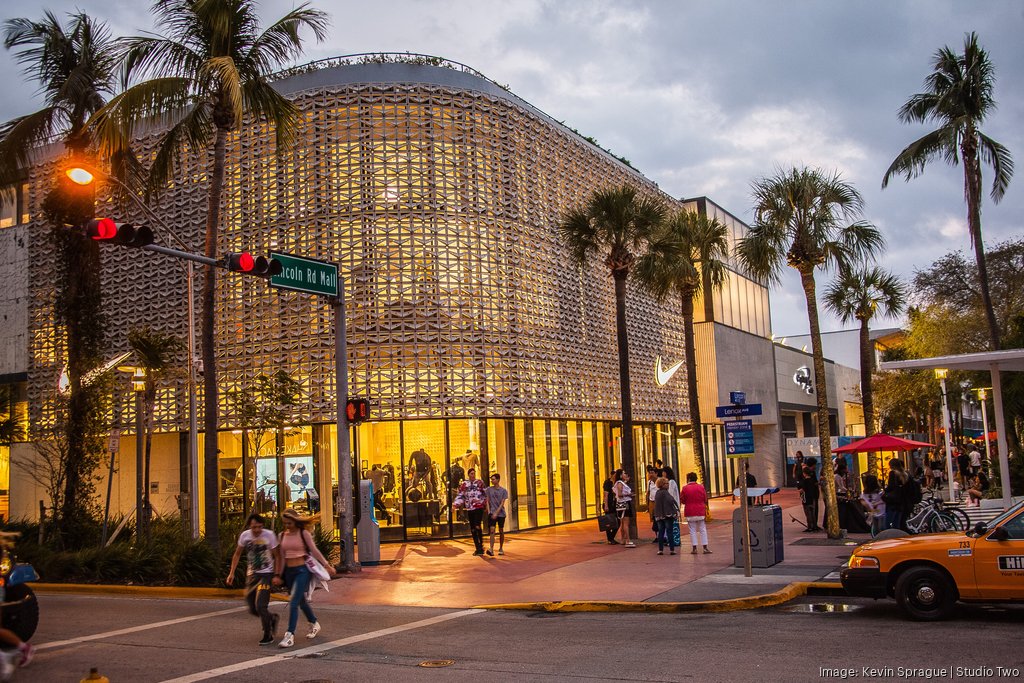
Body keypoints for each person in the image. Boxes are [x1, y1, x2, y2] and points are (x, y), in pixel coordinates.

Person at [273, 509, 337, 648]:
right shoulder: (282, 535)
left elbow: (314, 551)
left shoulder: (304, 534)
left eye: (289, 523)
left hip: (302, 570)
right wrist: (278, 574)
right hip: (289, 572)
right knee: (301, 602)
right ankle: (314, 622)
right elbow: (282, 557)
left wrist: (327, 565)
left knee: (294, 601)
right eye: (285, 523)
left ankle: (290, 635)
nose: (287, 526)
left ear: (296, 521)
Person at [227, 513, 280, 646]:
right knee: (252, 607)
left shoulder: (269, 535)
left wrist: (276, 575)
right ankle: (271, 618)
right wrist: (231, 573)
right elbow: (237, 554)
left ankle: (267, 634)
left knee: (261, 605)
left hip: (266, 574)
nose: (257, 530)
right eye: (254, 527)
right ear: (250, 526)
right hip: (252, 575)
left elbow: (277, 556)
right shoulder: (245, 536)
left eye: (259, 527)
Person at [454, 467, 487, 555]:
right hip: (470, 508)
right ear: (468, 475)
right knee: (472, 528)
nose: (473, 475)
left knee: (477, 525)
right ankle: (478, 547)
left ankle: (481, 544)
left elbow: (485, 494)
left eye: (474, 473)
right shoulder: (465, 484)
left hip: (478, 507)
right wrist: (456, 504)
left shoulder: (479, 483)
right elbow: (461, 495)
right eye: (471, 473)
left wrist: (483, 503)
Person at [680, 472, 711, 554]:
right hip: (700, 511)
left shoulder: (685, 488)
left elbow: (682, 500)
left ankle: (694, 548)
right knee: (702, 529)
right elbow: (705, 498)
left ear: (688, 479)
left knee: (692, 530)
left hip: (690, 511)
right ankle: (705, 547)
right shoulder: (701, 487)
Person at [652, 477, 680, 555]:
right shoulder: (665, 492)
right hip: (667, 515)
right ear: (662, 485)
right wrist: (676, 510)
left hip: (659, 515)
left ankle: (660, 549)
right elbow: (671, 500)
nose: (668, 485)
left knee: (661, 532)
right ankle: (672, 549)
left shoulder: (657, 493)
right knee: (669, 532)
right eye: (666, 483)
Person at [484, 473, 508, 556]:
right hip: (492, 513)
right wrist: (489, 511)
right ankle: (491, 549)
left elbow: (502, 503)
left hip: (501, 514)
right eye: (491, 479)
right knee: (492, 530)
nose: (492, 480)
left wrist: (496, 513)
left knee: (501, 530)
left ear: (498, 480)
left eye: (493, 479)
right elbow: (487, 500)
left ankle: (501, 548)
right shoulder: (489, 490)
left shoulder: (503, 491)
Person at [612, 469, 636, 548]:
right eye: (623, 473)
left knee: (623, 522)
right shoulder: (620, 483)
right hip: (624, 504)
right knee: (625, 523)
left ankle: (623, 539)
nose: (625, 474)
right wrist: (628, 494)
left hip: (622, 504)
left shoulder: (621, 483)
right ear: (620, 475)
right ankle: (627, 540)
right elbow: (619, 494)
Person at [883, 459, 908, 530]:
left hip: (892, 501)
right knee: (896, 524)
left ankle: (888, 537)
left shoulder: (893, 473)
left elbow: (891, 486)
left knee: (887, 524)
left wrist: (885, 490)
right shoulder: (904, 474)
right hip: (900, 501)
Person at [797, 457, 821, 532]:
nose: (815, 466)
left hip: (809, 496)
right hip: (811, 495)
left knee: (810, 511)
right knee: (812, 511)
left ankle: (812, 525)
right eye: (815, 465)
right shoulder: (809, 474)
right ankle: (813, 525)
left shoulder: (809, 475)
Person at [602, 474, 620, 544]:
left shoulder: (616, 482)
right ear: (612, 475)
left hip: (615, 505)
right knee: (608, 521)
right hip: (609, 504)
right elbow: (605, 495)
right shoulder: (608, 483)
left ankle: (611, 538)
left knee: (617, 521)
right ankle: (610, 539)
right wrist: (606, 505)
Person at [646, 466, 659, 542]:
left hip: (658, 502)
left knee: (659, 519)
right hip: (652, 502)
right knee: (653, 519)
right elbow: (648, 493)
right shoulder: (649, 482)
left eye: (652, 473)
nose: (651, 474)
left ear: (656, 473)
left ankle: (661, 535)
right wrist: (648, 504)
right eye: (650, 473)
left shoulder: (659, 481)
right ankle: (657, 536)